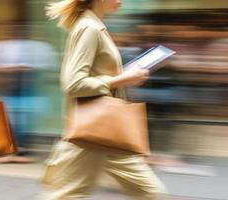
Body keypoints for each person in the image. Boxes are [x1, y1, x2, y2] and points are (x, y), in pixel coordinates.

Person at [41, 0, 167, 199]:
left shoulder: (95, 26)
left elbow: (98, 73)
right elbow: (73, 84)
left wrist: (125, 76)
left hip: (108, 129)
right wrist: (122, 79)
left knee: (152, 194)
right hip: (92, 132)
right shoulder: (89, 28)